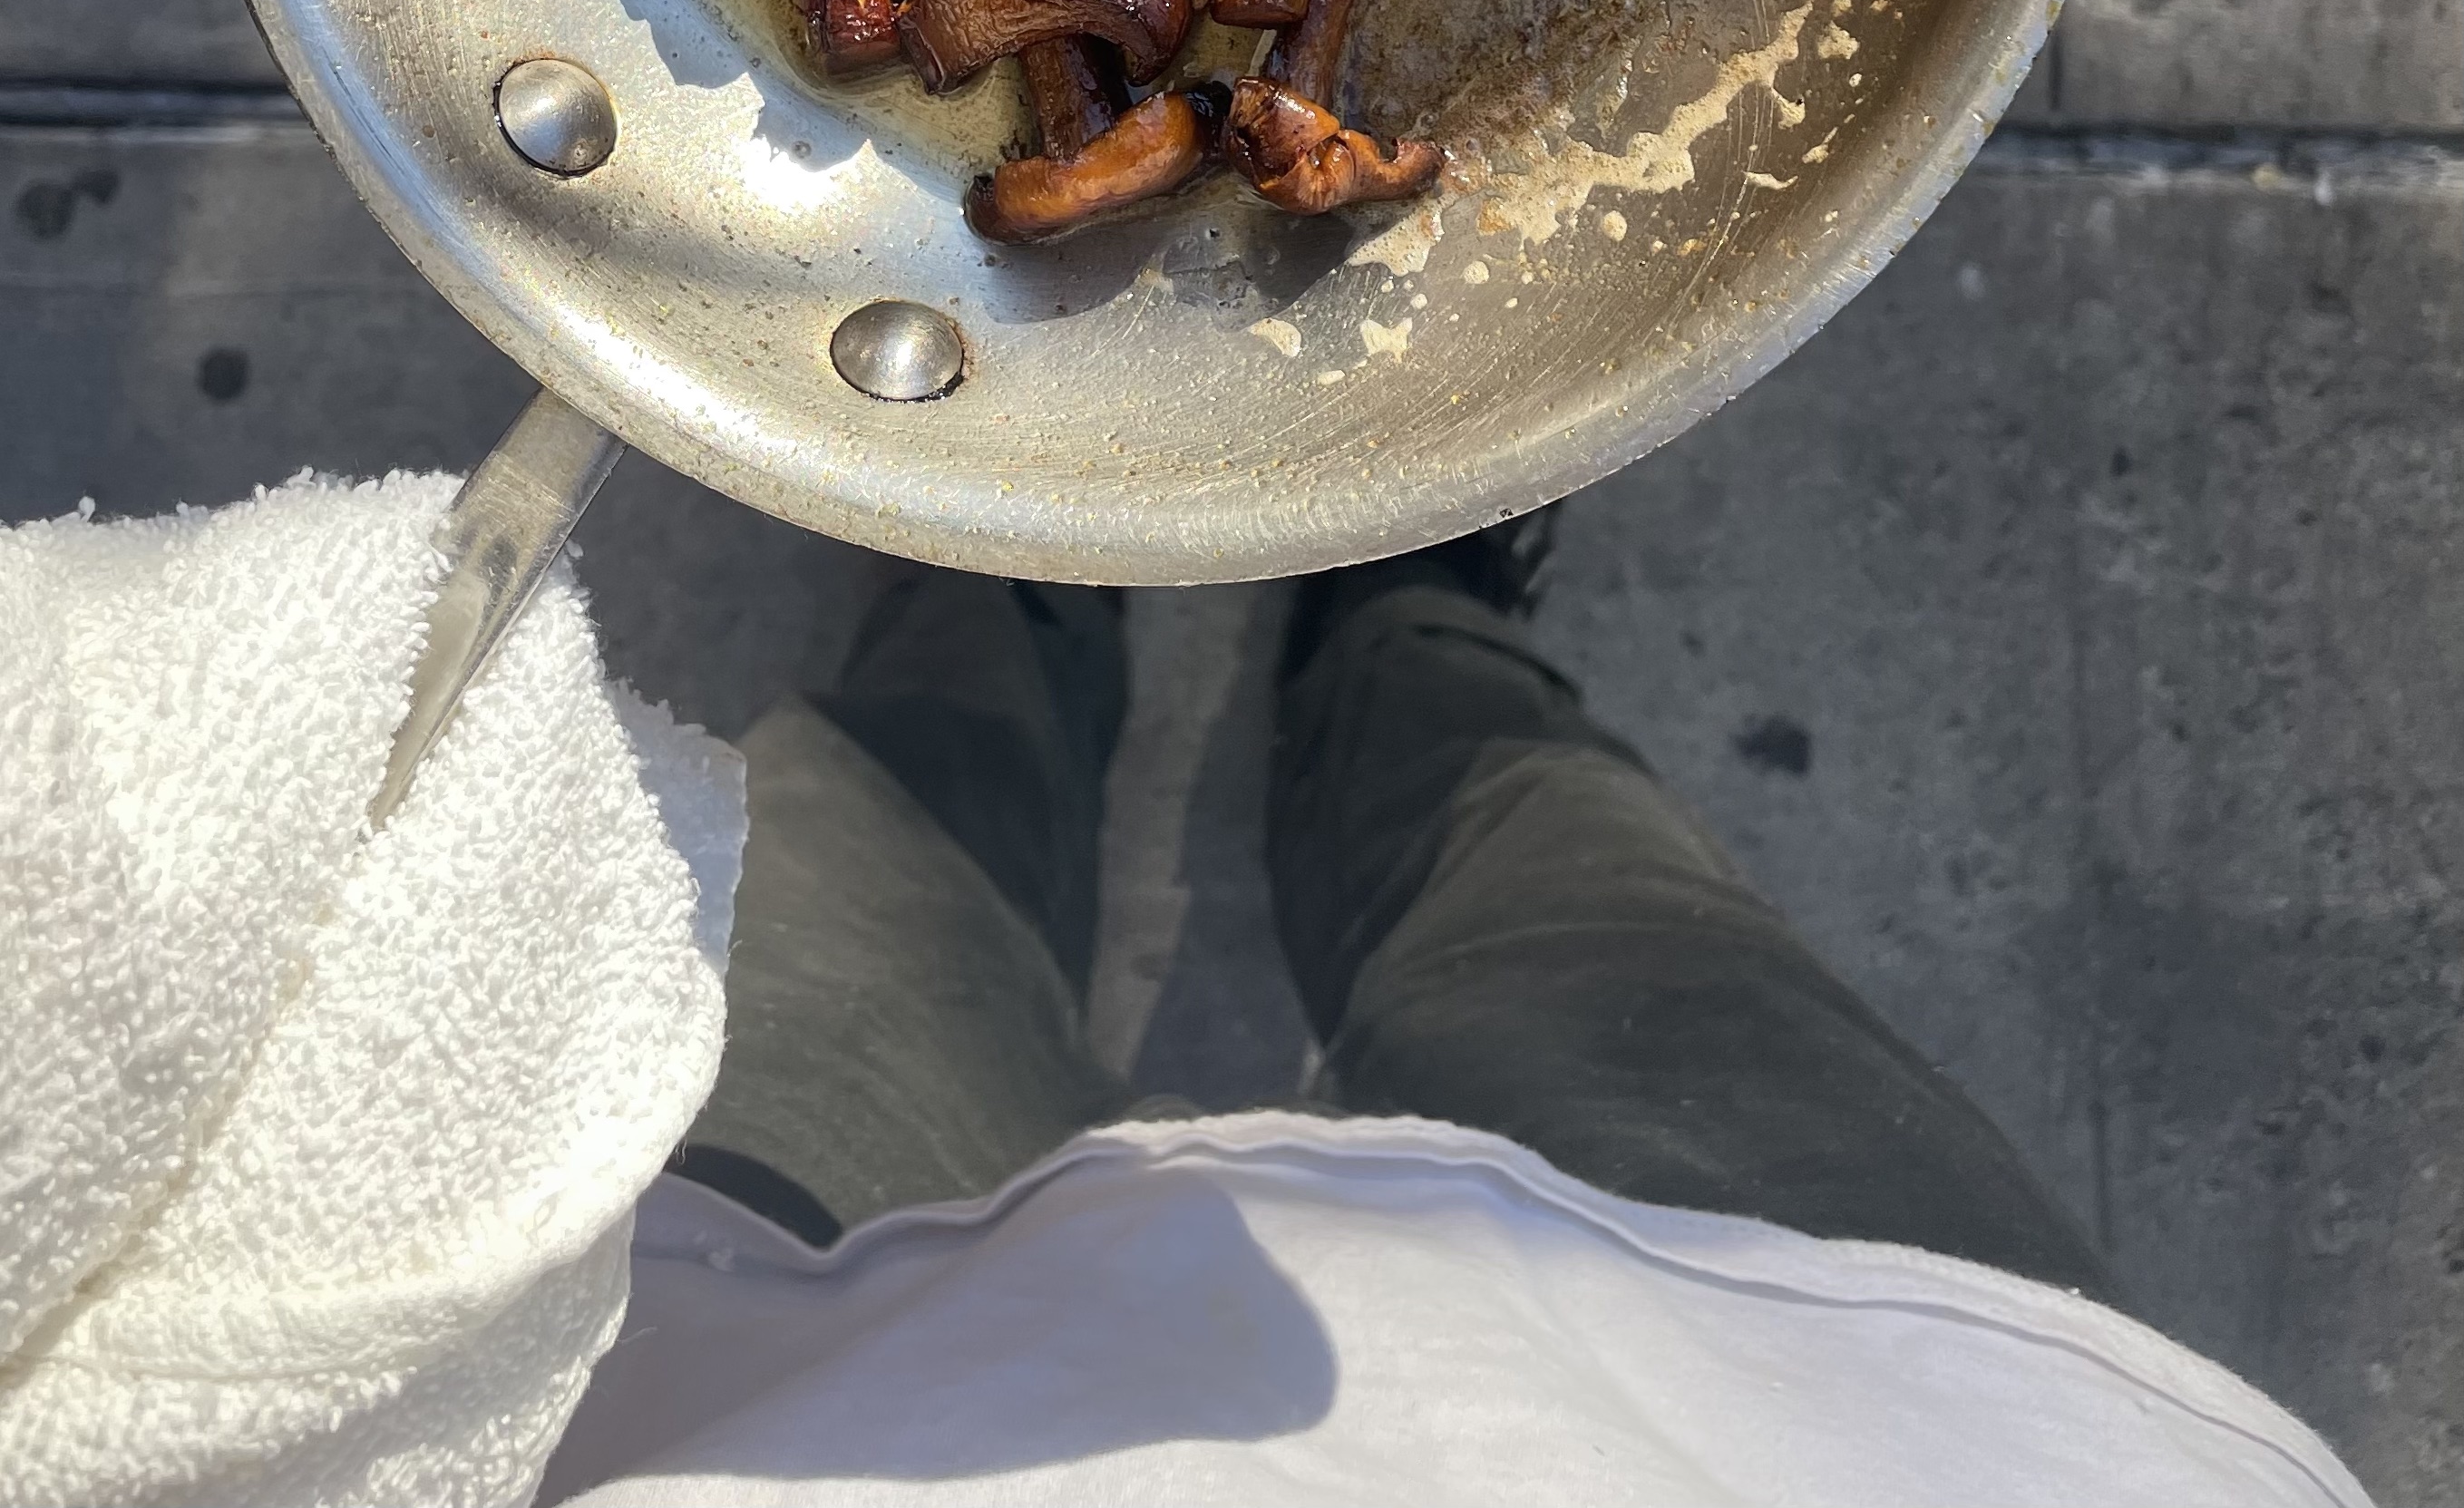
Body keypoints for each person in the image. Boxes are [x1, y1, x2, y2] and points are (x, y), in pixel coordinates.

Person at [538, 521, 2369, 1506]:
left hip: (741, 1395)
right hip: (1875, 1417)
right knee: (1541, 859)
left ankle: (1012, 578)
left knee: (878, 835)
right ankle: (1398, 606)